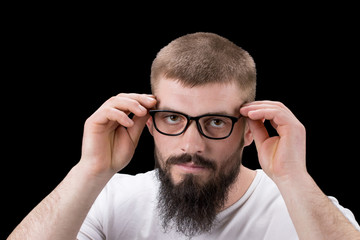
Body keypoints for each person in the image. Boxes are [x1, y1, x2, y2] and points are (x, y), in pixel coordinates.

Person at [8, 32, 360, 240]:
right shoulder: (107, 199)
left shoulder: (301, 209)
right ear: (148, 123)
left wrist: (294, 178)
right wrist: (90, 170)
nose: (192, 146)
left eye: (216, 122)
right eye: (173, 118)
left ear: (250, 131)